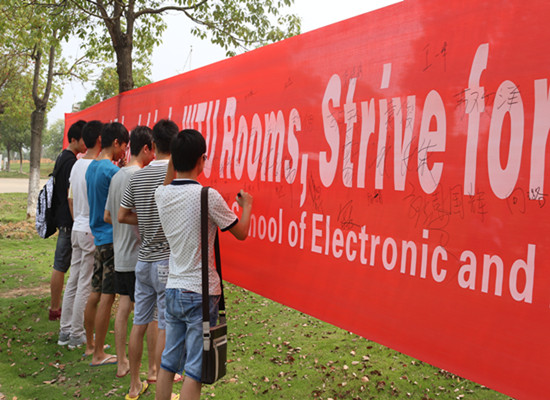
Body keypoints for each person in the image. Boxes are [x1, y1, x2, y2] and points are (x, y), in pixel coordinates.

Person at [154, 129, 253, 400]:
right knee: (195, 370)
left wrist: (174, 159)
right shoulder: (207, 196)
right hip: (200, 292)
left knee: (168, 362)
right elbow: (241, 232)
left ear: (174, 159)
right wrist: (247, 206)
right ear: (201, 160)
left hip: (173, 288)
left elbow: (168, 180)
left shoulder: (161, 195)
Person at [118, 119, 178, 399]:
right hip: (165, 260)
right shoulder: (173, 173)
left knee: (139, 323)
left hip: (142, 261)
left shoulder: (137, 176)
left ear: (153, 144)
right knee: (165, 325)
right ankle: (162, 389)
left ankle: (134, 385)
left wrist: (145, 220)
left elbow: (122, 215)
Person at [104, 126, 157, 379]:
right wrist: (145, 219)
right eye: (153, 150)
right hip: (138, 256)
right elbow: (128, 215)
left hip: (120, 255)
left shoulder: (117, 176)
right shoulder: (140, 176)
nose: (154, 156)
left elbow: (108, 215)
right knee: (150, 315)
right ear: (145, 148)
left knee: (123, 308)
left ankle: (122, 363)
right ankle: (153, 369)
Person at [85, 122, 129, 367]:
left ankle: (91, 345)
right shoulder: (111, 172)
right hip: (111, 239)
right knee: (107, 297)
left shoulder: (92, 167)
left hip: (98, 238)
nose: (124, 152)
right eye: (124, 147)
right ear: (116, 143)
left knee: (95, 293)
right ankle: (99, 353)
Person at [57, 121, 101, 350]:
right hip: (89, 230)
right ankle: (76, 333)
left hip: (77, 228)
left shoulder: (76, 165)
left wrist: (78, 221)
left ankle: (65, 331)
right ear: (100, 139)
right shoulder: (97, 167)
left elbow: (70, 198)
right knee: (85, 283)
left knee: (74, 280)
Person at [49, 120, 87, 321]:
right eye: (83, 139)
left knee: (64, 266)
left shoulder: (62, 157)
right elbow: (70, 194)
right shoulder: (71, 162)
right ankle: (55, 308)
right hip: (69, 220)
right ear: (74, 139)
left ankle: (58, 307)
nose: (86, 143)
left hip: (64, 217)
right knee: (61, 266)